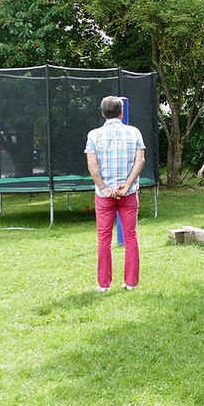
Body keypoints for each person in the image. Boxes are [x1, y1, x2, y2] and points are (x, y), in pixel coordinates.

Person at [85, 95, 146, 291]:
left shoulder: (93, 135)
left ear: (103, 113)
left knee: (103, 238)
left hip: (104, 195)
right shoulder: (134, 132)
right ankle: (131, 283)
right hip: (128, 193)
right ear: (122, 112)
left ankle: (103, 285)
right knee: (130, 236)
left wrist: (103, 188)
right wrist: (127, 185)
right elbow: (140, 161)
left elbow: (92, 164)